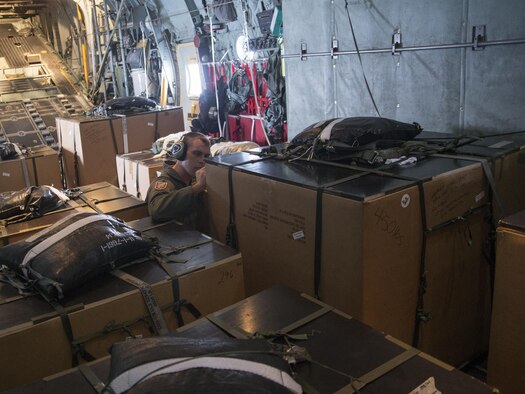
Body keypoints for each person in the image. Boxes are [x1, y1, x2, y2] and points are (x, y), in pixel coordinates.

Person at [146, 132, 211, 225]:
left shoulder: (192, 180)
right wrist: (197, 188)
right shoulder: (164, 182)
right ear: (180, 153)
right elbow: (157, 209)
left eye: (206, 156)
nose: (202, 161)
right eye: (197, 154)